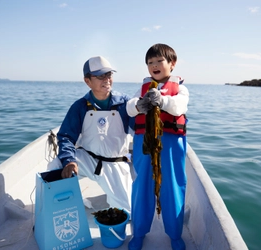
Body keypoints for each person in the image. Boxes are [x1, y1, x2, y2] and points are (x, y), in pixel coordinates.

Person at [126, 44, 189, 250]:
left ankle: (174, 234)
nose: (154, 65)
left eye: (159, 61)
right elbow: (129, 106)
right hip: (145, 145)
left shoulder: (180, 89)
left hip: (171, 146)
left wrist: (162, 100)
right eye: (150, 62)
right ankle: (139, 233)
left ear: (172, 64)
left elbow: (179, 105)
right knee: (141, 187)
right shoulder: (143, 89)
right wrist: (138, 105)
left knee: (172, 188)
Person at [56, 56, 133, 215]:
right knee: (55, 167)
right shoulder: (80, 106)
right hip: (87, 159)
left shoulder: (125, 103)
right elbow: (65, 137)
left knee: (127, 213)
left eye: (109, 75)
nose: (107, 79)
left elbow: (140, 129)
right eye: (100, 76)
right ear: (87, 81)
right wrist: (69, 161)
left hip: (115, 163)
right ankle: (59, 207)